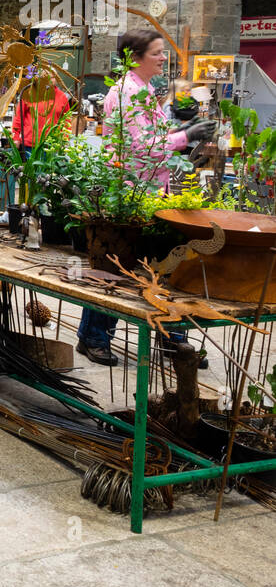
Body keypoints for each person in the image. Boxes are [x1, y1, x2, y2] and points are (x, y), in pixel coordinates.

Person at [75, 30, 216, 367]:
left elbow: (151, 137)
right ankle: (93, 337)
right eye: (156, 53)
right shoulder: (126, 93)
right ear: (136, 57)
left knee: (163, 265)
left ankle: (172, 339)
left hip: (152, 190)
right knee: (118, 268)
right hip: (129, 190)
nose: (163, 57)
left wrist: (186, 130)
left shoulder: (146, 90)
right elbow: (139, 148)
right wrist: (185, 137)